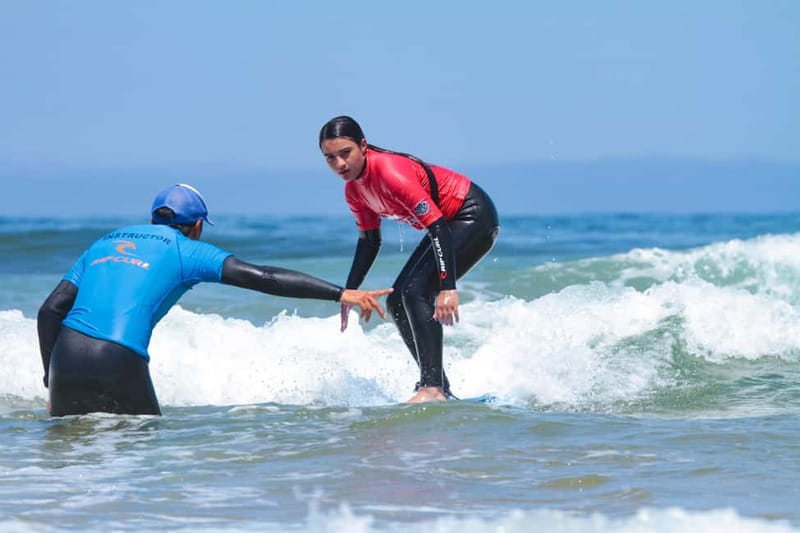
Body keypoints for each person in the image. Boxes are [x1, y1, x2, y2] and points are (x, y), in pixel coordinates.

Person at [37, 183, 392, 417]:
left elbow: (50, 310)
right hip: (117, 356)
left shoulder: (105, 241)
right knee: (138, 456)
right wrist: (340, 292)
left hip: (64, 356)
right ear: (197, 226)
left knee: (71, 461)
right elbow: (263, 277)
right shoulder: (187, 249)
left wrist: (51, 376)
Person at [319, 116, 500, 403]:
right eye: (330, 158)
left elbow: (437, 226)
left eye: (345, 153)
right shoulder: (354, 191)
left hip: (472, 216)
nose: (340, 164)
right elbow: (370, 242)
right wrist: (349, 292)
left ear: (363, 146)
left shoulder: (391, 173)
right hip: (447, 225)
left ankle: (432, 389)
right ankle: (438, 385)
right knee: (396, 299)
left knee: (415, 291)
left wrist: (447, 287)